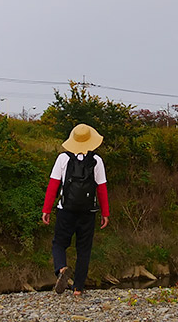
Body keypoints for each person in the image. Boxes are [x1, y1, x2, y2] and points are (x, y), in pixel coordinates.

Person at [41, 124, 110, 297]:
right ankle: (78, 288)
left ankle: (61, 268)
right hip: (88, 212)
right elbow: (101, 189)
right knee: (84, 249)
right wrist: (105, 213)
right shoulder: (97, 161)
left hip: (66, 210)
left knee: (59, 243)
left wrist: (46, 209)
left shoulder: (63, 158)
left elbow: (53, 185)